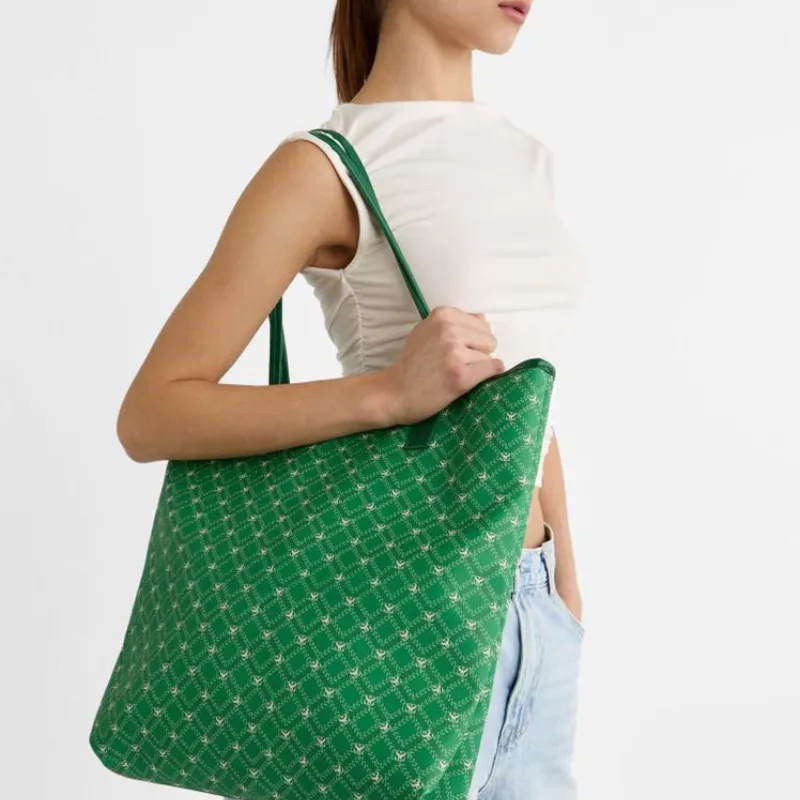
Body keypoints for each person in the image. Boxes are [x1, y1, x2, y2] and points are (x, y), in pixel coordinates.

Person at [117, 1, 587, 797]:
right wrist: (388, 394)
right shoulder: (326, 164)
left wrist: (566, 590)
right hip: (404, 616)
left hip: (532, 610)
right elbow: (152, 413)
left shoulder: (526, 158)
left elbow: (532, 389)